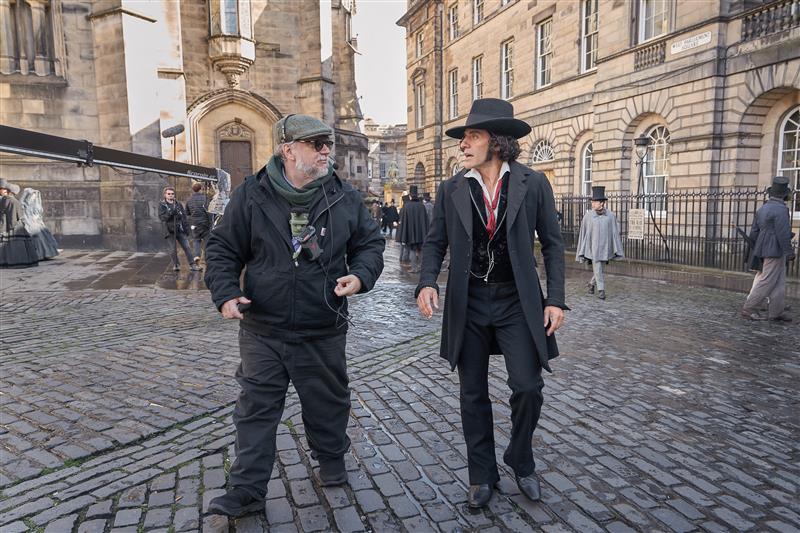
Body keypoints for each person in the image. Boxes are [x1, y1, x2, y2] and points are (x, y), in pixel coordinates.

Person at [204, 114, 385, 518]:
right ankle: (247, 490)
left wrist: (360, 276)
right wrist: (226, 293)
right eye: (316, 143)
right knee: (255, 409)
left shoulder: (345, 196)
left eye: (328, 143)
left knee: (327, 401)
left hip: (322, 326)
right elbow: (221, 250)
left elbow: (371, 246)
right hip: (263, 328)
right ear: (288, 150)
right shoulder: (252, 194)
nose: (326, 150)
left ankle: (332, 460)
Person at [415, 98, 567, 508]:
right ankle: (481, 474)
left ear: (496, 142)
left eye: (472, 136)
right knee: (472, 394)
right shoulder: (452, 188)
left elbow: (553, 246)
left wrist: (556, 300)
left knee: (528, 387)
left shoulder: (533, 183)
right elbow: (434, 243)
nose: (463, 144)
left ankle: (520, 458)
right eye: (463, 137)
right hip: (470, 302)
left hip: (518, 301)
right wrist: (426, 282)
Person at [741, 176, 795, 322]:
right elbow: (782, 233)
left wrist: (757, 248)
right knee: (767, 280)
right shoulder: (781, 210)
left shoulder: (762, 208)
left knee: (778, 281)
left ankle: (776, 312)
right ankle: (749, 308)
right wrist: (789, 252)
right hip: (775, 250)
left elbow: (754, 232)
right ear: (784, 194)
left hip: (764, 248)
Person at [575, 186, 624, 300]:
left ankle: (591, 284)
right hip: (593, 248)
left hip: (605, 248)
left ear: (602, 203)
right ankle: (601, 290)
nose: (592, 204)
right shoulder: (588, 216)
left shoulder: (610, 216)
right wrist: (584, 247)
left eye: (595, 201)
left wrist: (614, 247)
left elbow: (615, 232)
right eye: (592, 201)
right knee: (597, 268)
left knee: (600, 269)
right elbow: (584, 232)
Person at [159, 186, 198, 272]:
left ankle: (192, 265)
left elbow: (184, 217)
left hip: (180, 229)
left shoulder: (178, 204)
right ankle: (176, 265)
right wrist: (170, 212)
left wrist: (186, 229)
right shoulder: (162, 205)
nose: (170, 195)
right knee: (173, 249)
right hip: (169, 230)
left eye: (172, 194)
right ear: (165, 195)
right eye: (168, 194)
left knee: (187, 247)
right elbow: (162, 218)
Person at [0, 180, 38, 268]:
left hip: (7, 225)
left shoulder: (7, 201)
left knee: (8, 245)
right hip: (13, 226)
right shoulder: (13, 201)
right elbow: (14, 217)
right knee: (15, 244)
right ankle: (18, 261)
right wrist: (12, 226)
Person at [19, 187, 59, 261]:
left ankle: (45, 254)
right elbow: (23, 214)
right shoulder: (23, 205)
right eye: (32, 196)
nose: (33, 197)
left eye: (35, 196)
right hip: (29, 223)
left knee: (42, 239)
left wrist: (37, 219)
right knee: (35, 239)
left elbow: (39, 213)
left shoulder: (36, 204)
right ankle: (37, 255)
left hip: (37, 223)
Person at [398, 185, 428, 273]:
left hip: (410, 232)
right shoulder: (421, 206)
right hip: (421, 232)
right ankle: (422, 267)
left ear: (410, 195)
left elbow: (404, 221)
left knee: (412, 249)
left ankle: (414, 268)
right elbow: (425, 220)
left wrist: (403, 234)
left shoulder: (407, 206)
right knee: (421, 250)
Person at [185, 182, 211, 266]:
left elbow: (187, 212)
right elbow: (209, 211)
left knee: (196, 240)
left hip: (194, 224)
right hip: (205, 224)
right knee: (207, 241)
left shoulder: (189, 200)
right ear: (201, 189)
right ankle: (207, 259)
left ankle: (196, 255)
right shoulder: (205, 198)